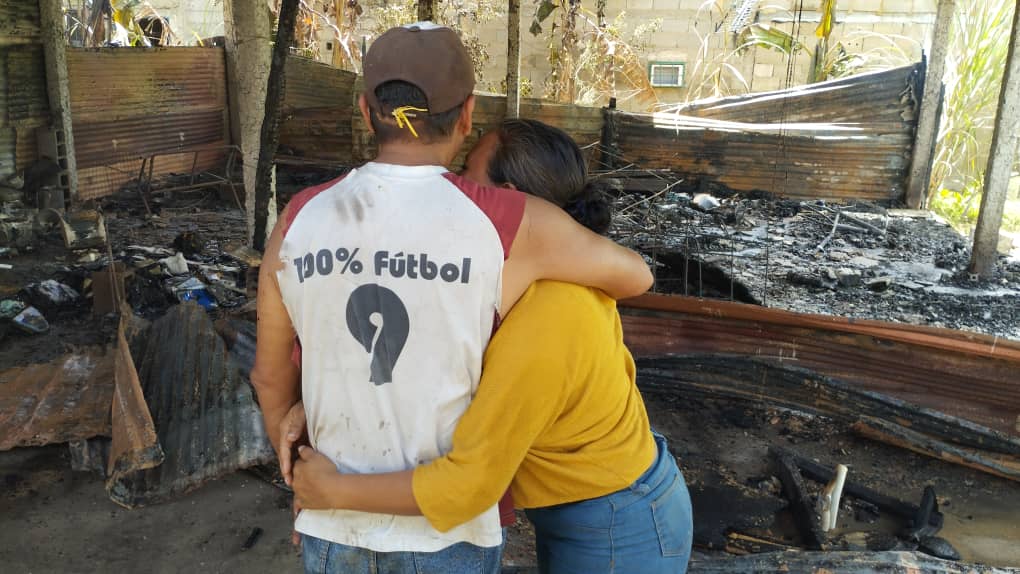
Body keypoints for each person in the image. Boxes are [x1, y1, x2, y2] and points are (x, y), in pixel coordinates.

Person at [251, 24, 653, 574]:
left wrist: (302, 475)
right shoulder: (512, 222)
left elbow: (270, 378)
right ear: (466, 116)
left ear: (367, 113)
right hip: (446, 535)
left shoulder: (298, 217)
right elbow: (635, 275)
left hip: (333, 527)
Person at [285, 119, 694, 574]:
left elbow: (468, 484)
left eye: (466, 172)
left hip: (617, 522)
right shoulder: (519, 276)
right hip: (586, 507)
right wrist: (327, 400)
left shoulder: (552, 315)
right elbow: (437, 359)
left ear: (509, 198)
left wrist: (330, 492)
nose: (454, 184)